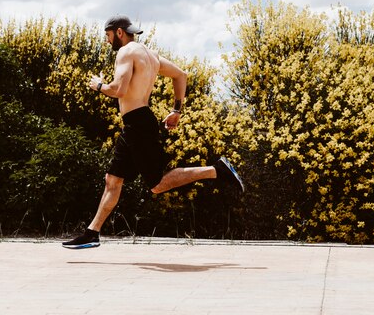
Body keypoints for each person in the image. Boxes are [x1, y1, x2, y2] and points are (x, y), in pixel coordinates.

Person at [62, 15, 244, 249]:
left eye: (108, 36)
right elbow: (181, 75)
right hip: (136, 123)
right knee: (113, 180)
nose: (107, 42)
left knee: (157, 184)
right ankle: (92, 233)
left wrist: (98, 85)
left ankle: (216, 170)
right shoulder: (151, 55)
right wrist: (176, 110)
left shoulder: (125, 52)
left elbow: (118, 89)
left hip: (139, 124)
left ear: (119, 32)